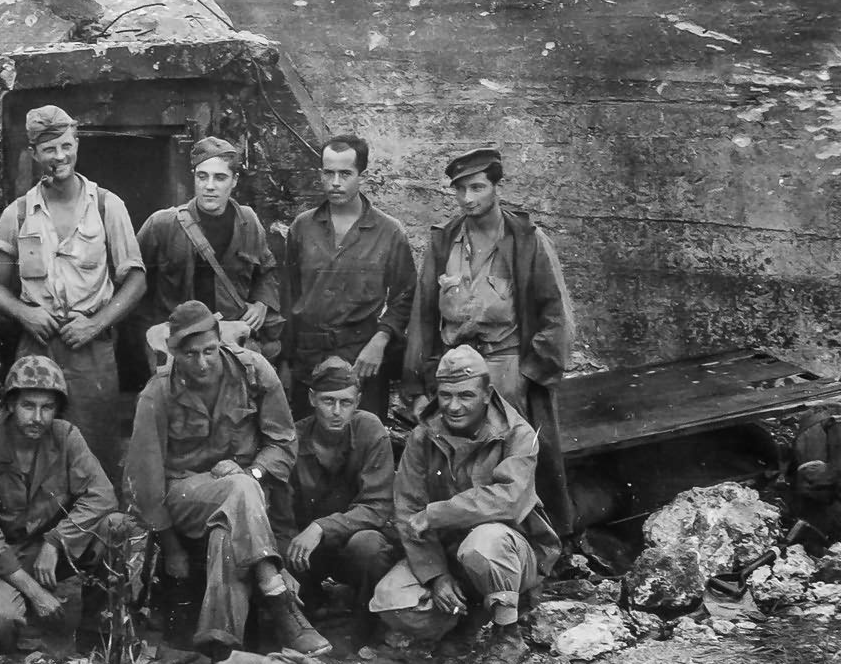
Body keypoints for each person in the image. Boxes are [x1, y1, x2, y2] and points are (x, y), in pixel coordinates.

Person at [124, 300, 324, 660]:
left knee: (229, 522)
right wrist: (170, 546)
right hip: (183, 495)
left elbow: (283, 443)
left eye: (209, 351)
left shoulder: (253, 372)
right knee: (239, 491)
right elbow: (145, 481)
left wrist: (253, 473)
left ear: (222, 343)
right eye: (189, 354)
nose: (201, 363)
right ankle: (280, 601)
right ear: (174, 353)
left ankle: (220, 640)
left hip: (248, 492)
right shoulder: (158, 393)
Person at [403, 147, 574, 531]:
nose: (468, 198)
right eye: (460, 189)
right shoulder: (444, 241)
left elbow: (556, 316)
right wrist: (416, 385)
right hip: (455, 369)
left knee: (513, 459)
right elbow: (423, 317)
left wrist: (528, 375)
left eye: (477, 187)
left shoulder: (527, 240)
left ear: (496, 187)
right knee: (455, 458)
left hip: (506, 364)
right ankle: (453, 539)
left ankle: (529, 544)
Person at [372, 345, 560, 664]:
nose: (454, 407)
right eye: (445, 396)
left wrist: (437, 514)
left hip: (510, 551)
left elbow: (509, 500)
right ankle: (463, 623)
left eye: (466, 396)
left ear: (487, 393)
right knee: (391, 601)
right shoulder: (422, 437)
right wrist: (437, 576)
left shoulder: (518, 434)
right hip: (448, 555)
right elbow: (408, 510)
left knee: (483, 544)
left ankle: (507, 634)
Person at [0, 106, 145, 483]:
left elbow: (136, 280)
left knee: (95, 454)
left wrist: (95, 324)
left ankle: (98, 536)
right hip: (38, 347)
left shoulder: (108, 206)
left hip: (90, 351)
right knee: (33, 451)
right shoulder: (18, 214)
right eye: (49, 150)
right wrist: (24, 314)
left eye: (65, 146)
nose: (59, 157)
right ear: (33, 154)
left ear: (77, 144)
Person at [0, 356, 125, 653]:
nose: (37, 417)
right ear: (10, 405)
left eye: (47, 407)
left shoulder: (67, 437)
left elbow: (102, 495)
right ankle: (21, 605)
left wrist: (56, 541)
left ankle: (95, 632)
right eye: (28, 406)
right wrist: (35, 593)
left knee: (116, 526)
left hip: (43, 549)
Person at [281, 134, 416, 420]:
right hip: (309, 359)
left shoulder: (389, 232)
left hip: (362, 358)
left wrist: (380, 341)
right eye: (328, 173)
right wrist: (285, 362)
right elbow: (287, 298)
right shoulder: (302, 228)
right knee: (309, 443)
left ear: (361, 176)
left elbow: (405, 296)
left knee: (364, 440)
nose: (335, 182)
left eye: (345, 173)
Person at [273, 357, 401, 648]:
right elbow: (279, 515)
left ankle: (367, 624)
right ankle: (306, 613)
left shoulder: (370, 431)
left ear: (357, 402)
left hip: (346, 544)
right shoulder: (293, 439)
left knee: (369, 545)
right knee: (279, 549)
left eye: (345, 403)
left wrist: (321, 527)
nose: (336, 412)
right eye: (327, 401)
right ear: (311, 399)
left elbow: (377, 506)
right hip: (303, 552)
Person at [137, 135, 282, 360]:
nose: (210, 186)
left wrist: (262, 303)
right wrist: (151, 340)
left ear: (234, 180)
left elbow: (266, 271)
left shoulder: (248, 221)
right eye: (202, 176)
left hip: (231, 341)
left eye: (220, 177)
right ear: (194, 177)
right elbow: (135, 283)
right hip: (178, 345)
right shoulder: (162, 224)